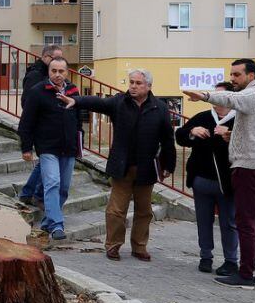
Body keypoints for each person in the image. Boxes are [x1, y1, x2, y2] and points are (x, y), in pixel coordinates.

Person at [184, 59, 255, 290]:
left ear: (251, 75)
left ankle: (245, 274)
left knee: (245, 222)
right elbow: (254, 130)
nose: (233, 79)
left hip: (250, 168)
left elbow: (230, 98)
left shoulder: (254, 94)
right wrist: (232, 138)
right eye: (232, 74)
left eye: (237, 75)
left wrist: (204, 95)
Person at [75, 69, 176, 262]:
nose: (133, 86)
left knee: (144, 211)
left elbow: (168, 139)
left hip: (146, 169)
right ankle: (113, 245)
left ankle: (139, 247)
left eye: (138, 83)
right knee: (116, 210)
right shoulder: (119, 102)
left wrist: (168, 165)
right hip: (122, 167)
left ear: (148, 86)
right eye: (131, 82)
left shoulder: (160, 108)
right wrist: (77, 101)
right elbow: (98, 103)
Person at [176, 81, 238, 276]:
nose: (215, 99)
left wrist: (230, 135)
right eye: (214, 95)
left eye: (220, 96)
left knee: (229, 222)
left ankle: (231, 260)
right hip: (201, 179)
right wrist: (191, 132)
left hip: (228, 182)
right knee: (203, 220)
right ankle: (205, 256)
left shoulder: (240, 119)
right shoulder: (203, 117)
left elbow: (251, 142)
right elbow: (180, 136)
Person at [18, 57, 84, 241]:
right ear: (49, 71)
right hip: (47, 148)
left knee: (63, 188)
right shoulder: (38, 92)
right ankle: (56, 225)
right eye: (53, 70)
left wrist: (80, 141)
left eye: (61, 71)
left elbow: (78, 120)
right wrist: (26, 147)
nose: (57, 74)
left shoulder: (73, 90)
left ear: (67, 72)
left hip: (69, 148)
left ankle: (48, 221)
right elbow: (26, 122)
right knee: (52, 182)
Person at [17, 44, 64, 208]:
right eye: (56, 58)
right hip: (40, 127)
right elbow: (27, 104)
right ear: (46, 57)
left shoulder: (49, 74)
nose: (59, 62)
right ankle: (35, 194)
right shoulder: (36, 75)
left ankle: (27, 193)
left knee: (45, 161)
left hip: (50, 127)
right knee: (47, 159)